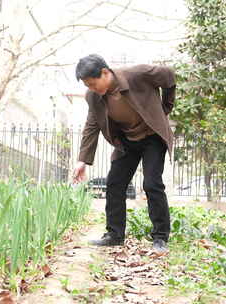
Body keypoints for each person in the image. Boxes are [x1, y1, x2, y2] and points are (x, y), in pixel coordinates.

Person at [72, 54, 176, 253]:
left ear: (105, 72)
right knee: (114, 184)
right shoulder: (93, 96)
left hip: (152, 137)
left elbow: (168, 76)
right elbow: (91, 125)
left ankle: (160, 237)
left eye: (93, 84)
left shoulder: (136, 75)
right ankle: (114, 235)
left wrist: (165, 108)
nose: (91, 89)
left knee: (152, 183)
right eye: (87, 86)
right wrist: (82, 161)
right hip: (126, 141)